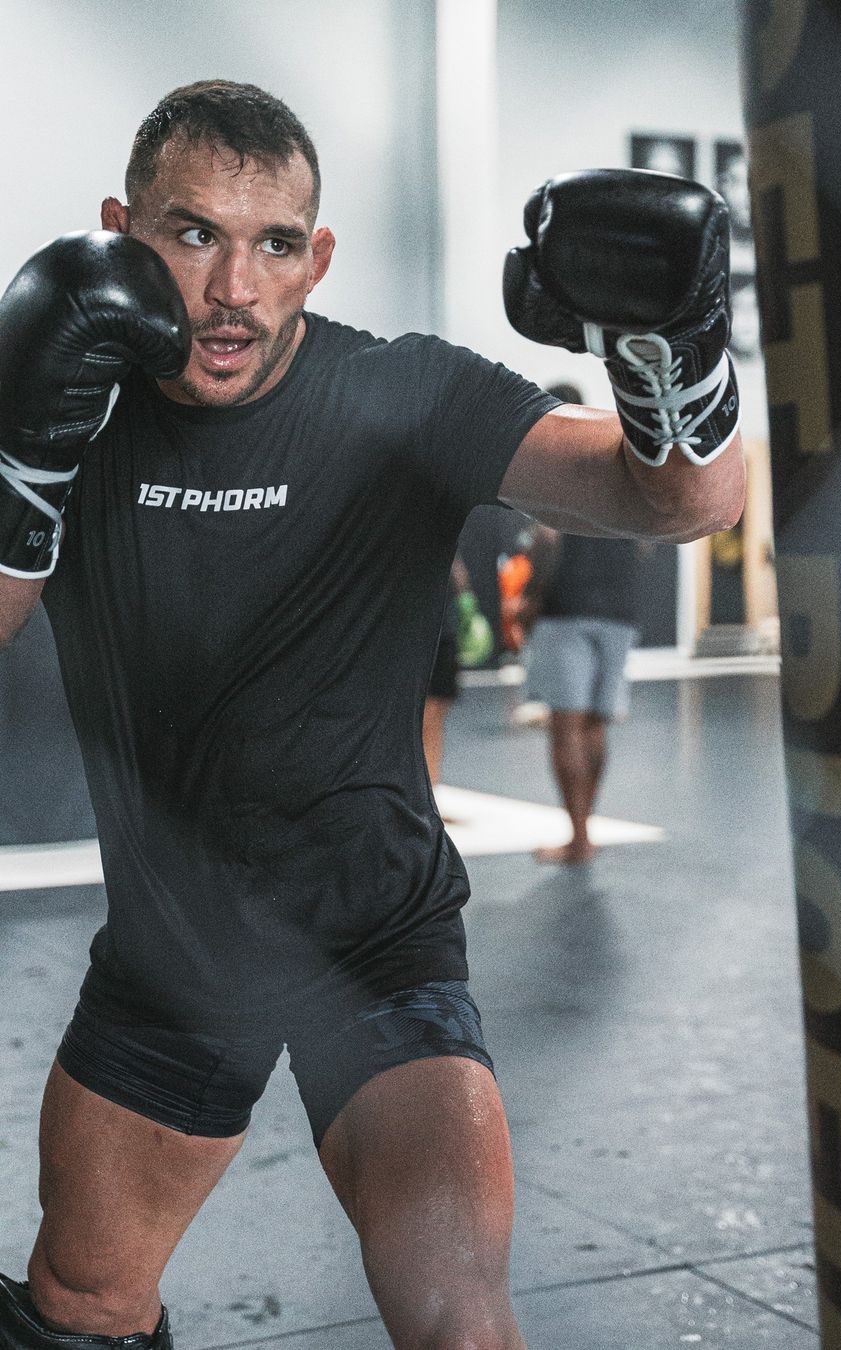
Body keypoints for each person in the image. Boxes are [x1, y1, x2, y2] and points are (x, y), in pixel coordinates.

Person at [0, 81, 744, 1350]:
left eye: (274, 243)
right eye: (193, 236)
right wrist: (23, 452)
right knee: (79, 1312)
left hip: (377, 940)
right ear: (122, 232)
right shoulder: (86, 412)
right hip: (173, 955)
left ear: (317, 255)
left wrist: (670, 354)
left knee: (459, 1319)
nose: (234, 288)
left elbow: (678, 505)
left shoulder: (406, 395)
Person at [516, 385, 643, 865]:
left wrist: (529, 601)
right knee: (594, 724)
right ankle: (586, 830)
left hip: (566, 608)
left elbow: (547, 541)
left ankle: (579, 839)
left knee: (565, 725)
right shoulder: (621, 461)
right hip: (618, 611)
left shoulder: (554, 465)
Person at [423, 553, 492, 790]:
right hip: (432, 631)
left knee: (432, 717)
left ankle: (429, 790)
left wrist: (467, 606)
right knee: (430, 718)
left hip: (438, 631)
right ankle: (428, 790)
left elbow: (457, 569)